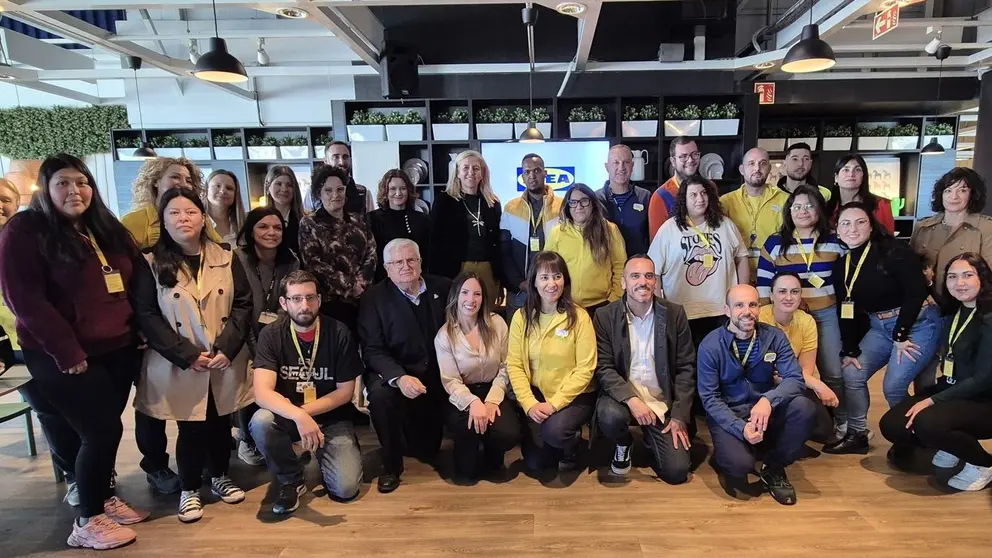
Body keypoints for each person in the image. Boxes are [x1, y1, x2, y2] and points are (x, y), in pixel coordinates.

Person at [0, 154, 148, 549]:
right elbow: (24, 299)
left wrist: (142, 331)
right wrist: (66, 351)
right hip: (63, 356)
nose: (74, 191)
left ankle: (99, 494)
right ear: (46, 189)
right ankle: (87, 521)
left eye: (81, 182)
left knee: (100, 429)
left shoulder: (104, 226)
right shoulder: (26, 230)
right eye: (63, 183)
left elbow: (135, 282)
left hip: (116, 348)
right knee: (101, 430)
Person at [131, 188, 253, 523]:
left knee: (218, 421)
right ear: (163, 220)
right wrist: (185, 354)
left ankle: (219, 475)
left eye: (190, 212)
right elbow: (147, 314)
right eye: (174, 213)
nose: (183, 219)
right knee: (190, 424)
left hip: (221, 357)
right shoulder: (151, 262)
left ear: (203, 218)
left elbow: (243, 304)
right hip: (179, 360)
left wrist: (227, 347)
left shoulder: (227, 255)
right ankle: (188, 488)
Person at [123, 157, 222, 494]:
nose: (181, 182)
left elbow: (216, 263)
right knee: (153, 405)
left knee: (201, 407)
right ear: (155, 182)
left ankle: (204, 463)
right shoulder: (135, 222)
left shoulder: (202, 223)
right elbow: (127, 281)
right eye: (173, 177)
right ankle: (156, 465)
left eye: (187, 178)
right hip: (154, 335)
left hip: (200, 331)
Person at [823, 203, 943, 455]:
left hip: (917, 323)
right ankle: (857, 435)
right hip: (879, 327)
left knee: (893, 386)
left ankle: (913, 437)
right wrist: (850, 349)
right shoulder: (841, 265)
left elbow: (915, 292)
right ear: (837, 230)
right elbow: (847, 310)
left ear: (871, 225)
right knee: (852, 373)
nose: (852, 228)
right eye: (845, 223)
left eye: (860, 222)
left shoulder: (894, 251)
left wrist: (900, 334)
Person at [250, 270, 363, 514]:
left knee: (345, 489)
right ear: (284, 302)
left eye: (310, 298)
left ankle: (329, 450)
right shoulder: (271, 335)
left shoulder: (339, 332)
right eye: (296, 298)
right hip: (289, 418)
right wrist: (299, 416)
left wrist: (305, 413)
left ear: (319, 300)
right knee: (260, 421)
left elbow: (345, 392)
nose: (305, 305)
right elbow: (261, 393)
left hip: (332, 418)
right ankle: (292, 478)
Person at [880, 253, 992, 490]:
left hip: (984, 398)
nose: (959, 283)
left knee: (928, 423)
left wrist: (933, 400)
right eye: (952, 277)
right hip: (955, 387)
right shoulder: (956, 310)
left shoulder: (989, 318)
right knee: (893, 423)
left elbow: (983, 378)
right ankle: (955, 446)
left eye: (967, 275)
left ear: (982, 278)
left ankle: (983, 464)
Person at [697, 284, 814, 505]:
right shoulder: (710, 345)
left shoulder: (774, 337)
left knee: (804, 407)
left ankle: (774, 466)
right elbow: (709, 399)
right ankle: (738, 451)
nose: (747, 311)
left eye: (752, 304)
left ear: (759, 308)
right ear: (727, 310)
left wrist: (768, 400)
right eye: (739, 305)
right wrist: (741, 428)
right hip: (731, 415)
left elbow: (795, 379)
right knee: (739, 466)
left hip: (765, 412)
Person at [358, 238, 452, 493]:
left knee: (427, 448)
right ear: (387, 267)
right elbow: (372, 349)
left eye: (411, 260)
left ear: (421, 262)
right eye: (397, 262)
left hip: (435, 371)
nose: (405, 266)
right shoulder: (373, 298)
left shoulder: (444, 288)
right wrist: (398, 378)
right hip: (394, 373)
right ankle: (391, 466)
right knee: (380, 397)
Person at [593, 254, 695, 483]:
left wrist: (679, 416)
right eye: (635, 276)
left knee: (677, 473)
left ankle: (652, 436)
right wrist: (632, 400)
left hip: (660, 401)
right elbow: (604, 368)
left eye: (649, 276)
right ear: (623, 283)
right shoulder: (604, 316)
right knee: (610, 415)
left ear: (655, 282)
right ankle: (623, 442)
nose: (643, 281)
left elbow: (686, 368)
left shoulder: (674, 314)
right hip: (622, 399)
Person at [757, 185, 846, 437]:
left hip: (825, 312)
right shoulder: (775, 243)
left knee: (832, 371)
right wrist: (766, 321)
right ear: (788, 211)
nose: (803, 211)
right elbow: (764, 284)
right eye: (797, 206)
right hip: (785, 315)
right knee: (778, 368)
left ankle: (841, 420)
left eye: (809, 206)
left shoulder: (834, 241)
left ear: (820, 209)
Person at [507, 251, 597, 473]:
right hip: (537, 394)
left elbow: (585, 369)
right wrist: (529, 403)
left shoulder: (580, 317)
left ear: (564, 279)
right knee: (537, 464)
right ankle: (552, 441)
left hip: (574, 396)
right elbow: (515, 365)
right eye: (544, 277)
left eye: (557, 276)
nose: (551, 283)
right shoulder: (521, 317)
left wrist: (554, 404)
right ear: (534, 282)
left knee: (555, 433)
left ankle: (571, 444)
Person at [435, 271, 520, 483]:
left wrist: (491, 400)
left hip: (494, 388)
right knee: (467, 473)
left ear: (483, 298)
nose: (471, 300)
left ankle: (492, 449)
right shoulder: (444, 335)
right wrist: (473, 402)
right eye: (465, 293)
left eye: (477, 294)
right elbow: (451, 381)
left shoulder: (497, 323)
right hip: (462, 393)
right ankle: (469, 448)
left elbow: (506, 366)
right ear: (456, 296)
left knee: (508, 433)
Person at [233, 207, 301, 466]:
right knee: (248, 383)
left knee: (278, 383)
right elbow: (238, 305)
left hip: (278, 334)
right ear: (251, 231)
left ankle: (276, 436)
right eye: (263, 227)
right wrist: (255, 345)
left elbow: (291, 302)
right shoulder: (237, 259)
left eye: (277, 228)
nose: (271, 232)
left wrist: (274, 340)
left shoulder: (291, 261)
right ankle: (247, 440)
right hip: (243, 333)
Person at [648, 175, 749, 348]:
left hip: (721, 310)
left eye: (703, 193)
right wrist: (660, 307)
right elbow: (653, 270)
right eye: (693, 195)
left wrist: (741, 296)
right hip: (682, 313)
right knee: (686, 365)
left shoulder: (725, 225)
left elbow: (742, 258)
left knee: (720, 363)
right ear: (684, 200)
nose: (700, 199)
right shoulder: (669, 228)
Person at [758, 272, 837, 442]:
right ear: (771, 295)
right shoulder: (760, 318)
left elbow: (805, 370)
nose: (788, 297)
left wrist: (811, 383)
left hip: (793, 381)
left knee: (823, 428)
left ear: (801, 295)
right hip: (762, 385)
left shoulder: (806, 321)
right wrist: (820, 386)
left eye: (794, 291)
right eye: (782, 291)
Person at [298, 164, 376, 335]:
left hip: (363, 299)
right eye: (329, 190)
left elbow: (371, 253)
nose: (336, 195)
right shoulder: (309, 223)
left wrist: (361, 285)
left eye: (340, 189)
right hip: (330, 303)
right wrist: (350, 286)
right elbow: (314, 264)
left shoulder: (358, 220)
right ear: (319, 193)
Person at [430, 150, 503, 306]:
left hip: (487, 269)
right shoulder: (444, 202)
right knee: (458, 314)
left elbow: (498, 240)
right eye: (466, 168)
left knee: (486, 316)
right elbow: (435, 242)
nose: (471, 172)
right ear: (457, 172)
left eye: (476, 168)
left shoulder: (492, 203)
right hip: (456, 269)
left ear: (483, 173)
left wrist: (501, 277)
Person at [911, 167, 992, 303]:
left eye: (962, 190)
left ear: (972, 194)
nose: (953, 196)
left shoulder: (986, 228)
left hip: (968, 305)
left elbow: (988, 276)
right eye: (948, 190)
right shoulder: (923, 227)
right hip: (927, 305)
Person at [500, 153, 563, 325]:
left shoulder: (562, 206)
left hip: (552, 288)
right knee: (517, 340)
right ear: (522, 177)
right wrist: (519, 283)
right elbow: (504, 252)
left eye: (536, 170)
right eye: (527, 172)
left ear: (545, 173)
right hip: (520, 291)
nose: (532, 175)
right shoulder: (510, 208)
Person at [545, 183, 626, 314]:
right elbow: (548, 269)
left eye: (584, 201)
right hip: (566, 306)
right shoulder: (557, 233)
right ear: (568, 206)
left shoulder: (609, 230)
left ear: (593, 203)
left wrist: (613, 301)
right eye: (573, 202)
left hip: (602, 306)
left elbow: (620, 267)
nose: (579, 206)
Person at [122, 156, 223, 249]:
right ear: (155, 181)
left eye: (189, 181)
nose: (184, 184)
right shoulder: (132, 221)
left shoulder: (200, 218)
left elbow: (222, 250)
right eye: (175, 177)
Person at [720, 147, 789, 281]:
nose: (757, 168)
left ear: (769, 168)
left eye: (762, 163)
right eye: (751, 163)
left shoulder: (785, 200)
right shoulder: (725, 202)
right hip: (736, 277)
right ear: (741, 169)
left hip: (775, 275)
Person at [367, 169, 431, 283]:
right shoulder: (372, 219)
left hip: (415, 279)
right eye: (393, 189)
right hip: (384, 281)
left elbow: (427, 254)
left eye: (403, 188)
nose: (398, 193)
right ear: (385, 192)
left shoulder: (422, 219)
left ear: (409, 190)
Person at [596, 144, 652, 255]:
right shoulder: (595, 199)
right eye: (616, 162)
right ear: (607, 167)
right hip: (607, 266)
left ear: (632, 166)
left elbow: (653, 235)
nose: (621, 167)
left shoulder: (645, 196)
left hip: (637, 266)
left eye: (626, 162)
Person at [826, 154, 895, 234]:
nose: (851, 174)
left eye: (857, 170)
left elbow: (888, 239)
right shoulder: (827, 208)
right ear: (836, 178)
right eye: (846, 170)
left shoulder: (881, 205)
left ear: (863, 176)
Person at [648, 136, 699, 240]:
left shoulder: (709, 188)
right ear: (673, 161)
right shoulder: (660, 196)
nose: (690, 160)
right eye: (683, 156)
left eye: (694, 154)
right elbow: (657, 244)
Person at [263, 165, 305, 257]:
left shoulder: (305, 220)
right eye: (278, 184)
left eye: (289, 185)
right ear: (268, 187)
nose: (284, 189)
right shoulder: (257, 220)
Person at [323, 141, 374, 214]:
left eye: (345, 157)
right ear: (326, 161)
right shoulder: (314, 192)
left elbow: (370, 223)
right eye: (336, 157)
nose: (341, 162)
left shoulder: (363, 193)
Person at [205, 169, 246, 246]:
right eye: (217, 186)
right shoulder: (195, 221)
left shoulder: (243, 224)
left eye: (229, 188)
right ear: (206, 190)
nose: (223, 191)